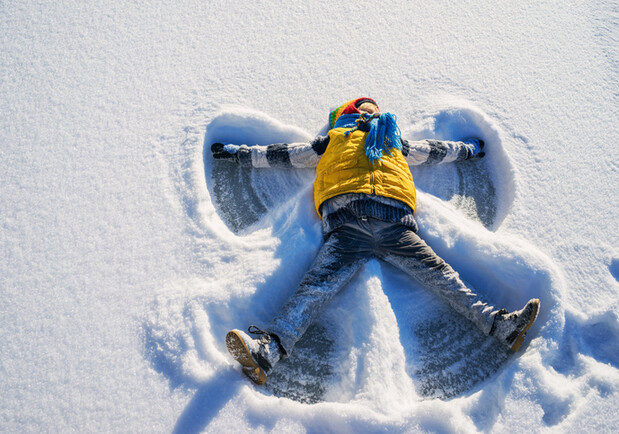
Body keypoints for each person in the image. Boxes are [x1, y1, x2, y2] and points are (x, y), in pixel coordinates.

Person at [212, 98, 540, 385]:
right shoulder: (332, 139)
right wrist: (240, 154)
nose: (369, 108)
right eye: (360, 105)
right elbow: (283, 154)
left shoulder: (392, 138)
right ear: (347, 114)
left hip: (396, 223)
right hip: (347, 225)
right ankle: (266, 352)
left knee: (443, 276)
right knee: (315, 288)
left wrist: (468, 150)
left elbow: (432, 150)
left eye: (372, 105)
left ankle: (501, 326)